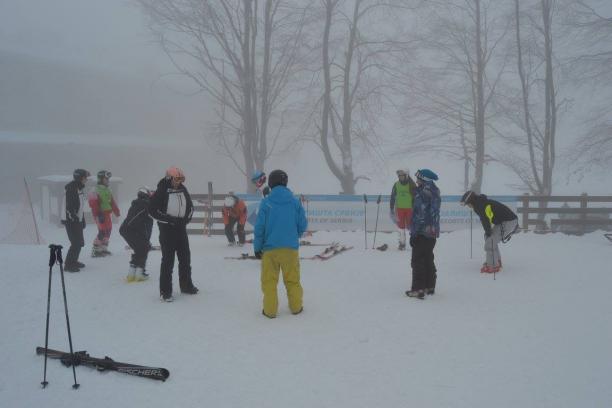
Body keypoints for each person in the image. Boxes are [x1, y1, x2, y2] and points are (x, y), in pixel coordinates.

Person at [253, 169, 308, 318]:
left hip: (270, 250)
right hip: (290, 250)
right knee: (292, 280)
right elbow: (303, 224)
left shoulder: (266, 203)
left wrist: (257, 248)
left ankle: (270, 311)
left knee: (269, 282)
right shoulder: (295, 202)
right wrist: (292, 235)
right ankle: (296, 307)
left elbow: (259, 228)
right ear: (285, 182)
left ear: (270, 184)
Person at [149, 166, 198, 302]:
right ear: (169, 178)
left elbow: (190, 207)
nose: (179, 182)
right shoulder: (162, 190)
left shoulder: (182, 188)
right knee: (168, 261)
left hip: (180, 228)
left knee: (185, 258)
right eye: (177, 179)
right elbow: (152, 211)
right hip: (167, 230)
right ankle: (165, 292)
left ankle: (186, 285)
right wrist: (169, 220)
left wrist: (186, 219)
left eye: (181, 179)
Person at [460, 191, 519, 273]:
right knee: (490, 239)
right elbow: (486, 219)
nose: (468, 206)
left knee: (490, 242)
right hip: (504, 222)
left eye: (467, 204)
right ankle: (496, 261)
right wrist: (488, 233)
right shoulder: (481, 203)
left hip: (509, 222)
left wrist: (488, 232)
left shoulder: (480, 206)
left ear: (471, 201)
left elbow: (485, 220)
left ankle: (493, 266)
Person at [406, 169, 441, 299]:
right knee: (427, 258)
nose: (417, 181)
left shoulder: (423, 194)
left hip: (422, 232)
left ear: (424, 180)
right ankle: (429, 286)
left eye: (419, 179)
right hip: (432, 233)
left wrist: (414, 234)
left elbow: (420, 215)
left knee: (417, 261)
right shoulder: (434, 191)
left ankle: (418, 289)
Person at [120, 187, 154, 282]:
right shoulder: (146, 205)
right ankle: (139, 274)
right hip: (132, 230)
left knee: (139, 249)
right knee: (144, 248)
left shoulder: (137, 204)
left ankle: (131, 274)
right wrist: (146, 240)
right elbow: (146, 226)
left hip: (125, 229)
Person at [62, 169, 90, 272]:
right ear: (80, 178)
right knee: (75, 243)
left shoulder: (79, 188)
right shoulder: (72, 188)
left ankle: (74, 261)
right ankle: (68, 265)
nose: (86, 180)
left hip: (77, 220)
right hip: (70, 221)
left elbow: (80, 206)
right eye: (85, 178)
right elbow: (69, 207)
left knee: (80, 242)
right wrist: (74, 219)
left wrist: (82, 220)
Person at [88, 170, 120, 257]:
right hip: (99, 214)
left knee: (108, 231)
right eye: (106, 179)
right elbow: (93, 203)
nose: (108, 181)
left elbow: (111, 201)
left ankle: (103, 248)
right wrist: (98, 214)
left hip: (107, 213)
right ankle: (95, 250)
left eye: (108, 179)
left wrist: (116, 211)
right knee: (102, 231)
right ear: (101, 179)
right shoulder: (94, 190)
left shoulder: (108, 189)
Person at [390, 169, 417, 250]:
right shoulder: (396, 185)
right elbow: (392, 196)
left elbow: (416, 194)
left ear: (406, 176)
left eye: (402, 176)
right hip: (399, 209)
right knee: (401, 226)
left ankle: (414, 243)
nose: (401, 177)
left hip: (410, 209)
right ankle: (402, 243)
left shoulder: (411, 184)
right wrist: (391, 207)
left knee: (411, 226)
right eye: (399, 176)